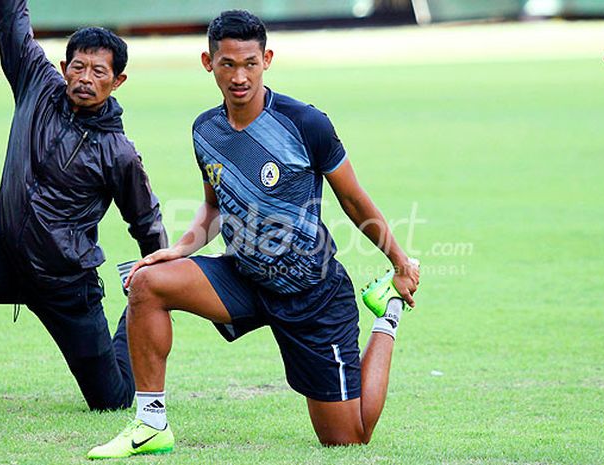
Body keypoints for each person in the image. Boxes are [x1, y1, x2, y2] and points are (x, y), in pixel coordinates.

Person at [87, 10, 419, 459]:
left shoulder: (306, 124)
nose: (239, 76)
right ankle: (151, 424)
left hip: (312, 293)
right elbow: (212, 206)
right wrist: (178, 251)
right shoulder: (205, 130)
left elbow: (355, 200)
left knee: (347, 437)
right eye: (227, 64)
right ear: (209, 63)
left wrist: (399, 264)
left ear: (267, 59)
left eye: (249, 63)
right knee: (146, 282)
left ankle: (388, 314)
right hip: (243, 278)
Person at [0, 0, 167, 411]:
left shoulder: (119, 153)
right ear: (63, 65)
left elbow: (146, 221)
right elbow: (12, 21)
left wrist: (153, 287)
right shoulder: (36, 83)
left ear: (118, 80)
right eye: (78, 67)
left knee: (112, 401)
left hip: (67, 285)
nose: (85, 78)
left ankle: (132, 320)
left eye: (98, 71)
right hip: (4, 255)